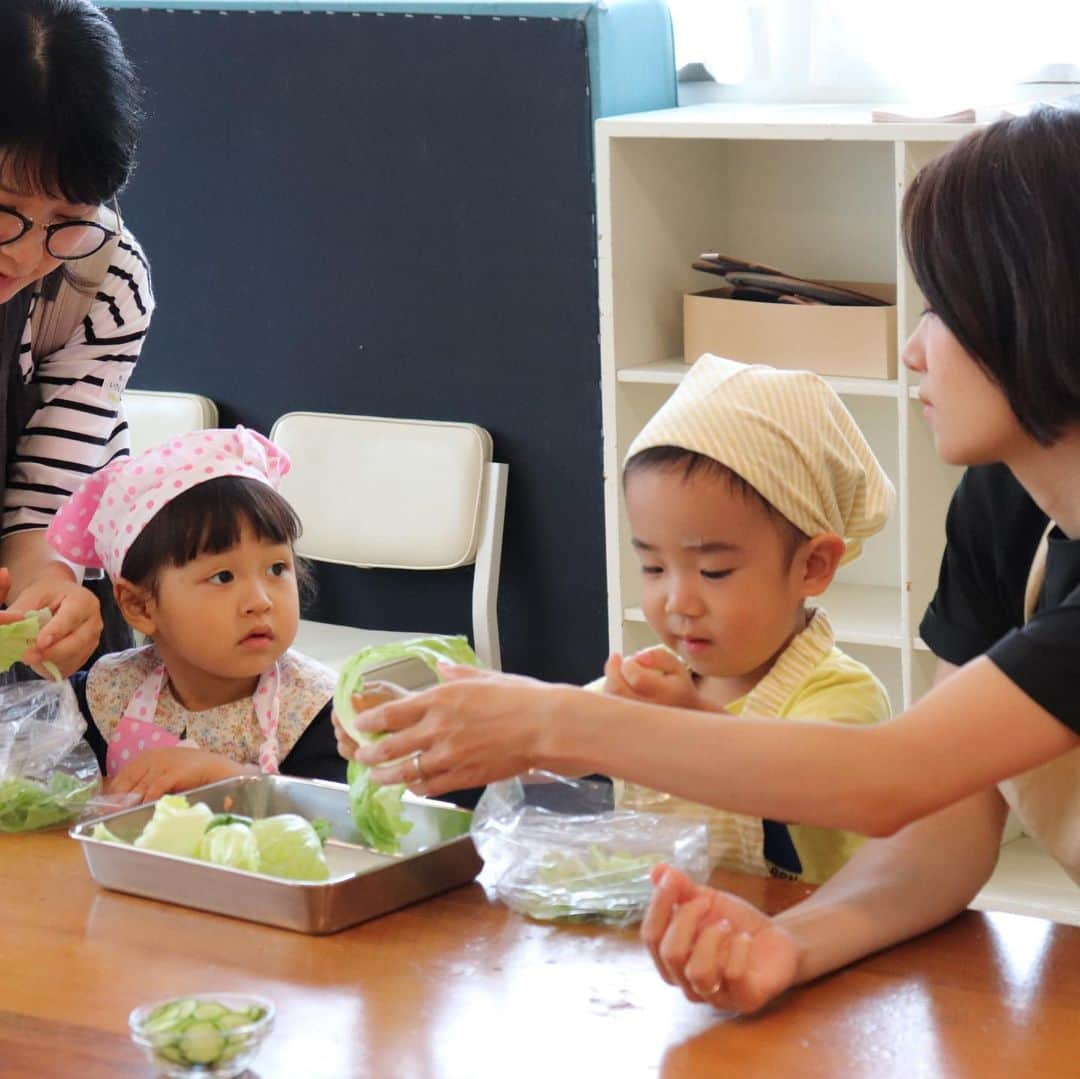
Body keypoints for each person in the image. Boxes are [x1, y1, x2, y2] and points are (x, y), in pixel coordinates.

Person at [345, 106, 1080, 1011]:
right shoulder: (1007, 504)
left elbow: (893, 777)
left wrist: (549, 721)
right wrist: (789, 944)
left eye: (942, 309)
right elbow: (948, 817)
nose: (912, 347)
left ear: (1037, 314)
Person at [588, 355, 893, 883]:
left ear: (812, 566)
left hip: (807, 944)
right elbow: (564, 729)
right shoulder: (658, 678)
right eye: (653, 566)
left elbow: (800, 781)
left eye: (714, 570)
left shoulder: (843, 696)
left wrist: (690, 723)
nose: (678, 601)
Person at [46, 426, 346, 803]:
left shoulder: (321, 711)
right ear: (139, 606)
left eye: (276, 569)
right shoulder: (103, 695)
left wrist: (232, 779)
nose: (260, 600)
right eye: (223, 576)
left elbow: (342, 820)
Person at [0, 0, 153, 678]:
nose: (29, 255)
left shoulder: (103, 278)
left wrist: (49, 589)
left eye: (67, 218)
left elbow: (38, 512)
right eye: (4, 212)